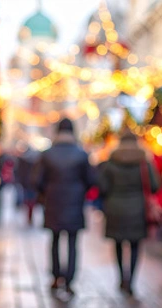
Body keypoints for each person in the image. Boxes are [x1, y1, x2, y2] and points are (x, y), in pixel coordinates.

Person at [34, 118, 95, 295]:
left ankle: (55, 276)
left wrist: (46, 192)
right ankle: (69, 279)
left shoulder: (48, 154)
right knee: (72, 242)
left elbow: (36, 180)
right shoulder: (82, 154)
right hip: (75, 203)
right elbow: (91, 180)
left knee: (54, 239)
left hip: (53, 202)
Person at [98, 129, 160, 296]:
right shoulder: (144, 162)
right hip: (137, 209)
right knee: (134, 245)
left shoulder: (111, 161)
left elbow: (102, 187)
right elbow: (155, 186)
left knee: (118, 243)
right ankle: (131, 280)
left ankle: (121, 278)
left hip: (115, 208)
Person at [16, 145, 40, 225]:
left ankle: (29, 216)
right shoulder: (35, 160)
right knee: (30, 201)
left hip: (27, 183)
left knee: (28, 201)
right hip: (31, 183)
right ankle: (29, 216)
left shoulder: (24, 159)